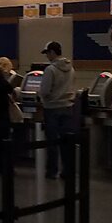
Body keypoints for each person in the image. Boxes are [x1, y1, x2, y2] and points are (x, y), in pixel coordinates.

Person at [38, 41, 76, 179]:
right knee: (66, 141)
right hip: (68, 107)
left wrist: (41, 96)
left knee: (52, 141)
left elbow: (45, 90)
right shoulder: (71, 68)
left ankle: (52, 171)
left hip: (52, 108)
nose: (47, 56)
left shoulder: (50, 70)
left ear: (53, 52)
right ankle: (67, 170)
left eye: (47, 53)